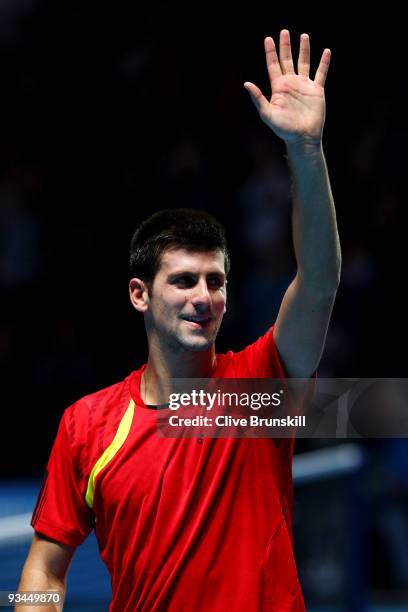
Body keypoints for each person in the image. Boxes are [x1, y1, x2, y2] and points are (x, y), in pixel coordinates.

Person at [16, 29, 341, 611]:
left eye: (216, 281)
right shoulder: (86, 426)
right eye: (184, 280)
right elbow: (44, 564)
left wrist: (306, 152)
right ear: (139, 295)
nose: (204, 296)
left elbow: (318, 281)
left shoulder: (262, 389)